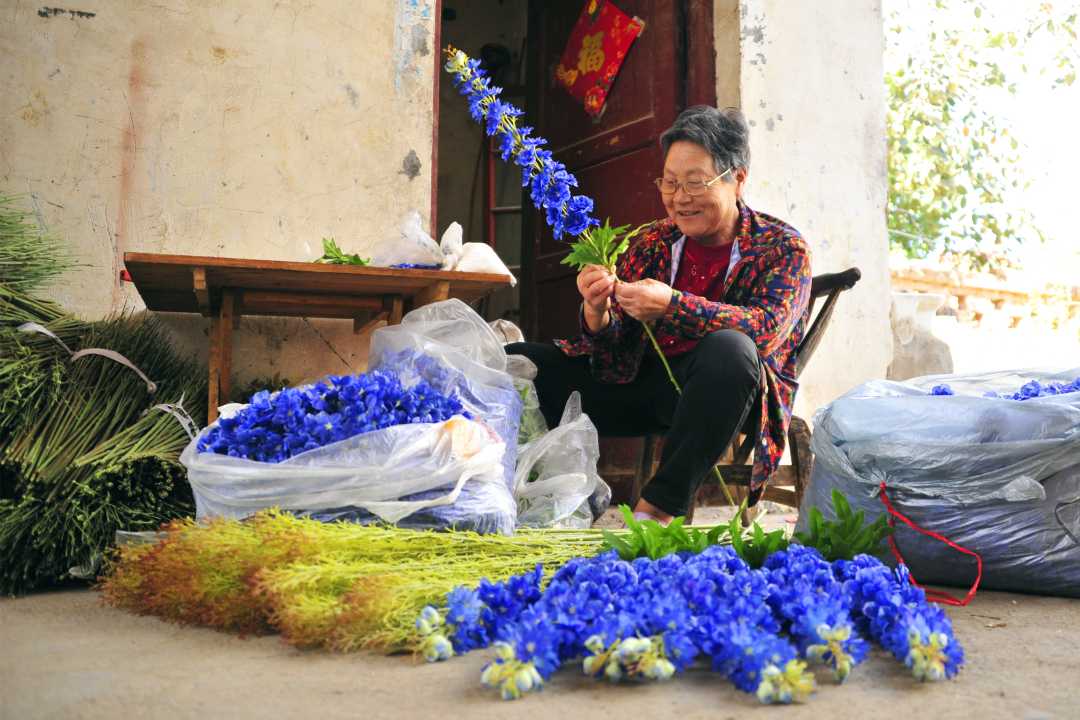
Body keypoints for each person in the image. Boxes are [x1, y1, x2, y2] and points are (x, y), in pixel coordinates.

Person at [507, 106, 812, 523]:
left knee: (731, 350)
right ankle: (506, 494)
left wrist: (672, 305)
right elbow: (613, 352)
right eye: (670, 182)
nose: (679, 197)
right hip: (645, 386)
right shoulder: (652, 242)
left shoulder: (782, 248)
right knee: (520, 362)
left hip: (725, 395)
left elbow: (765, 329)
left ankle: (655, 513)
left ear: (738, 179)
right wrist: (597, 312)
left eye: (695, 182)